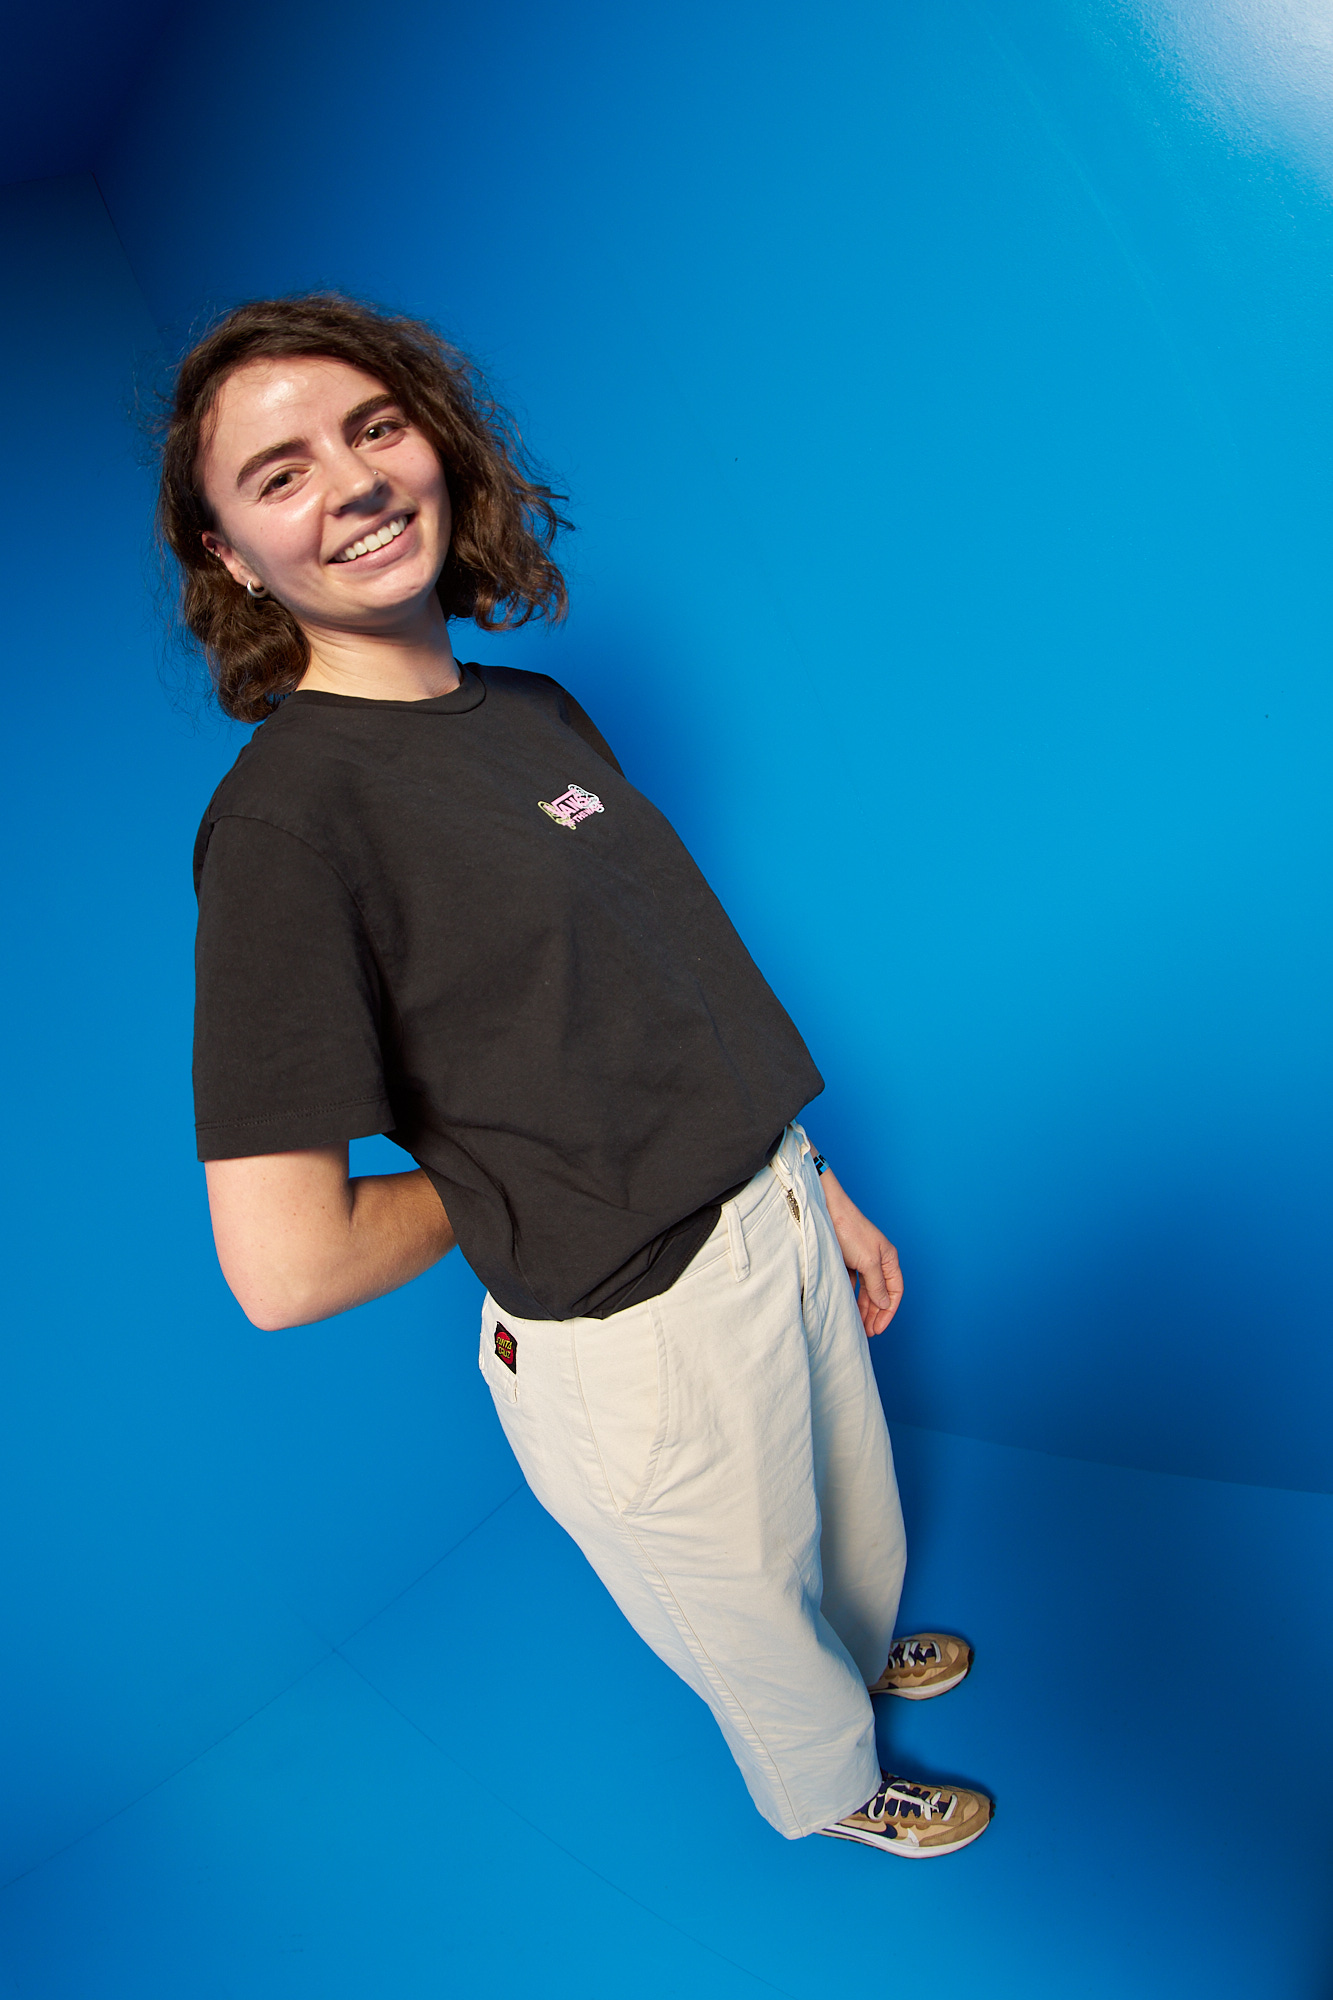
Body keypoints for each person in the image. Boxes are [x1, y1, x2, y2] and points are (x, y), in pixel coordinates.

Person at [162, 293, 993, 1858]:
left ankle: (863, 1655)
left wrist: (809, 1181)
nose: (351, 481)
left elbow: (663, 986)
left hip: (766, 1212)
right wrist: (513, 1169)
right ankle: (831, 1790)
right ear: (233, 558)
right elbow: (283, 1267)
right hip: (635, 1325)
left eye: (372, 428)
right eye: (279, 474)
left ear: (434, 445)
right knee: (742, 1608)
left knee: (849, 1518)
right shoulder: (287, 826)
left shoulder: (531, 712)